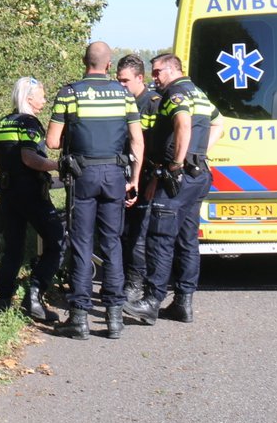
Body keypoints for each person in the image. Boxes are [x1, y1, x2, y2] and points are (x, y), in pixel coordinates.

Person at [45, 42, 143, 340]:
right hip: (115, 175)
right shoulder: (125, 95)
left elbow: (51, 141)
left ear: (83, 61)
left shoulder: (69, 93)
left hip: (83, 175)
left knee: (81, 243)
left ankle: (79, 318)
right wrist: (134, 178)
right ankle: (114, 319)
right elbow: (137, 141)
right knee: (112, 242)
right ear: (109, 64)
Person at [125, 53, 220, 325]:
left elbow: (182, 123)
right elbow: (218, 123)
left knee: (159, 237)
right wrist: (198, 154)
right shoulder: (199, 93)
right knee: (187, 240)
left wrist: (177, 163)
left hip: (178, 178)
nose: (154, 78)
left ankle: (152, 300)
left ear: (172, 70)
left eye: (157, 72)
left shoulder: (176, 93)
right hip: (199, 175)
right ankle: (182, 302)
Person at [0, 77, 63, 322]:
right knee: (56, 242)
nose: (44, 99)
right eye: (41, 95)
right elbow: (29, 158)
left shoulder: (4, 121)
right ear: (29, 98)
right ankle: (34, 296)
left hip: (8, 194)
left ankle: (2, 300)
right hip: (31, 192)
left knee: (13, 249)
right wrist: (58, 165)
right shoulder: (30, 123)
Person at [115, 54, 160, 304]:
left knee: (140, 236)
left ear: (140, 78)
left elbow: (160, 144)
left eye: (125, 80)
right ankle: (124, 280)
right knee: (123, 232)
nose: (121, 85)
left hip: (146, 176)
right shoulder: (120, 103)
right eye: (118, 80)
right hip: (123, 176)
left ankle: (136, 283)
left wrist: (151, 179)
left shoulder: (152, 103)